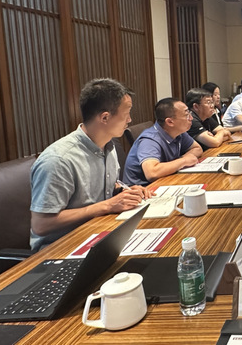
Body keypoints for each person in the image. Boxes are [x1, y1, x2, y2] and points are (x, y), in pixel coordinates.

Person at [29, 78, 153, 251]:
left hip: (100, 234)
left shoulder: (108, 146)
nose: (130, 120)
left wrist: (124, 191)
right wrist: (107, 206)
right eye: (126, 114)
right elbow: (41, 224)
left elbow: (101, 189)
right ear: (105, 117)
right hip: (61, 249)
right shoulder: (59, 160)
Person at [122, 97, 204, 186]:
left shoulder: (178, 132)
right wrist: (184, 161)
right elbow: (152, 173)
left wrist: (182, 160)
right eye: (186, 115)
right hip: (144, 189)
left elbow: (197, 148)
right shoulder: (150, 140)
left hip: (165, 181)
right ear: (170, 122)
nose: (191, 118)